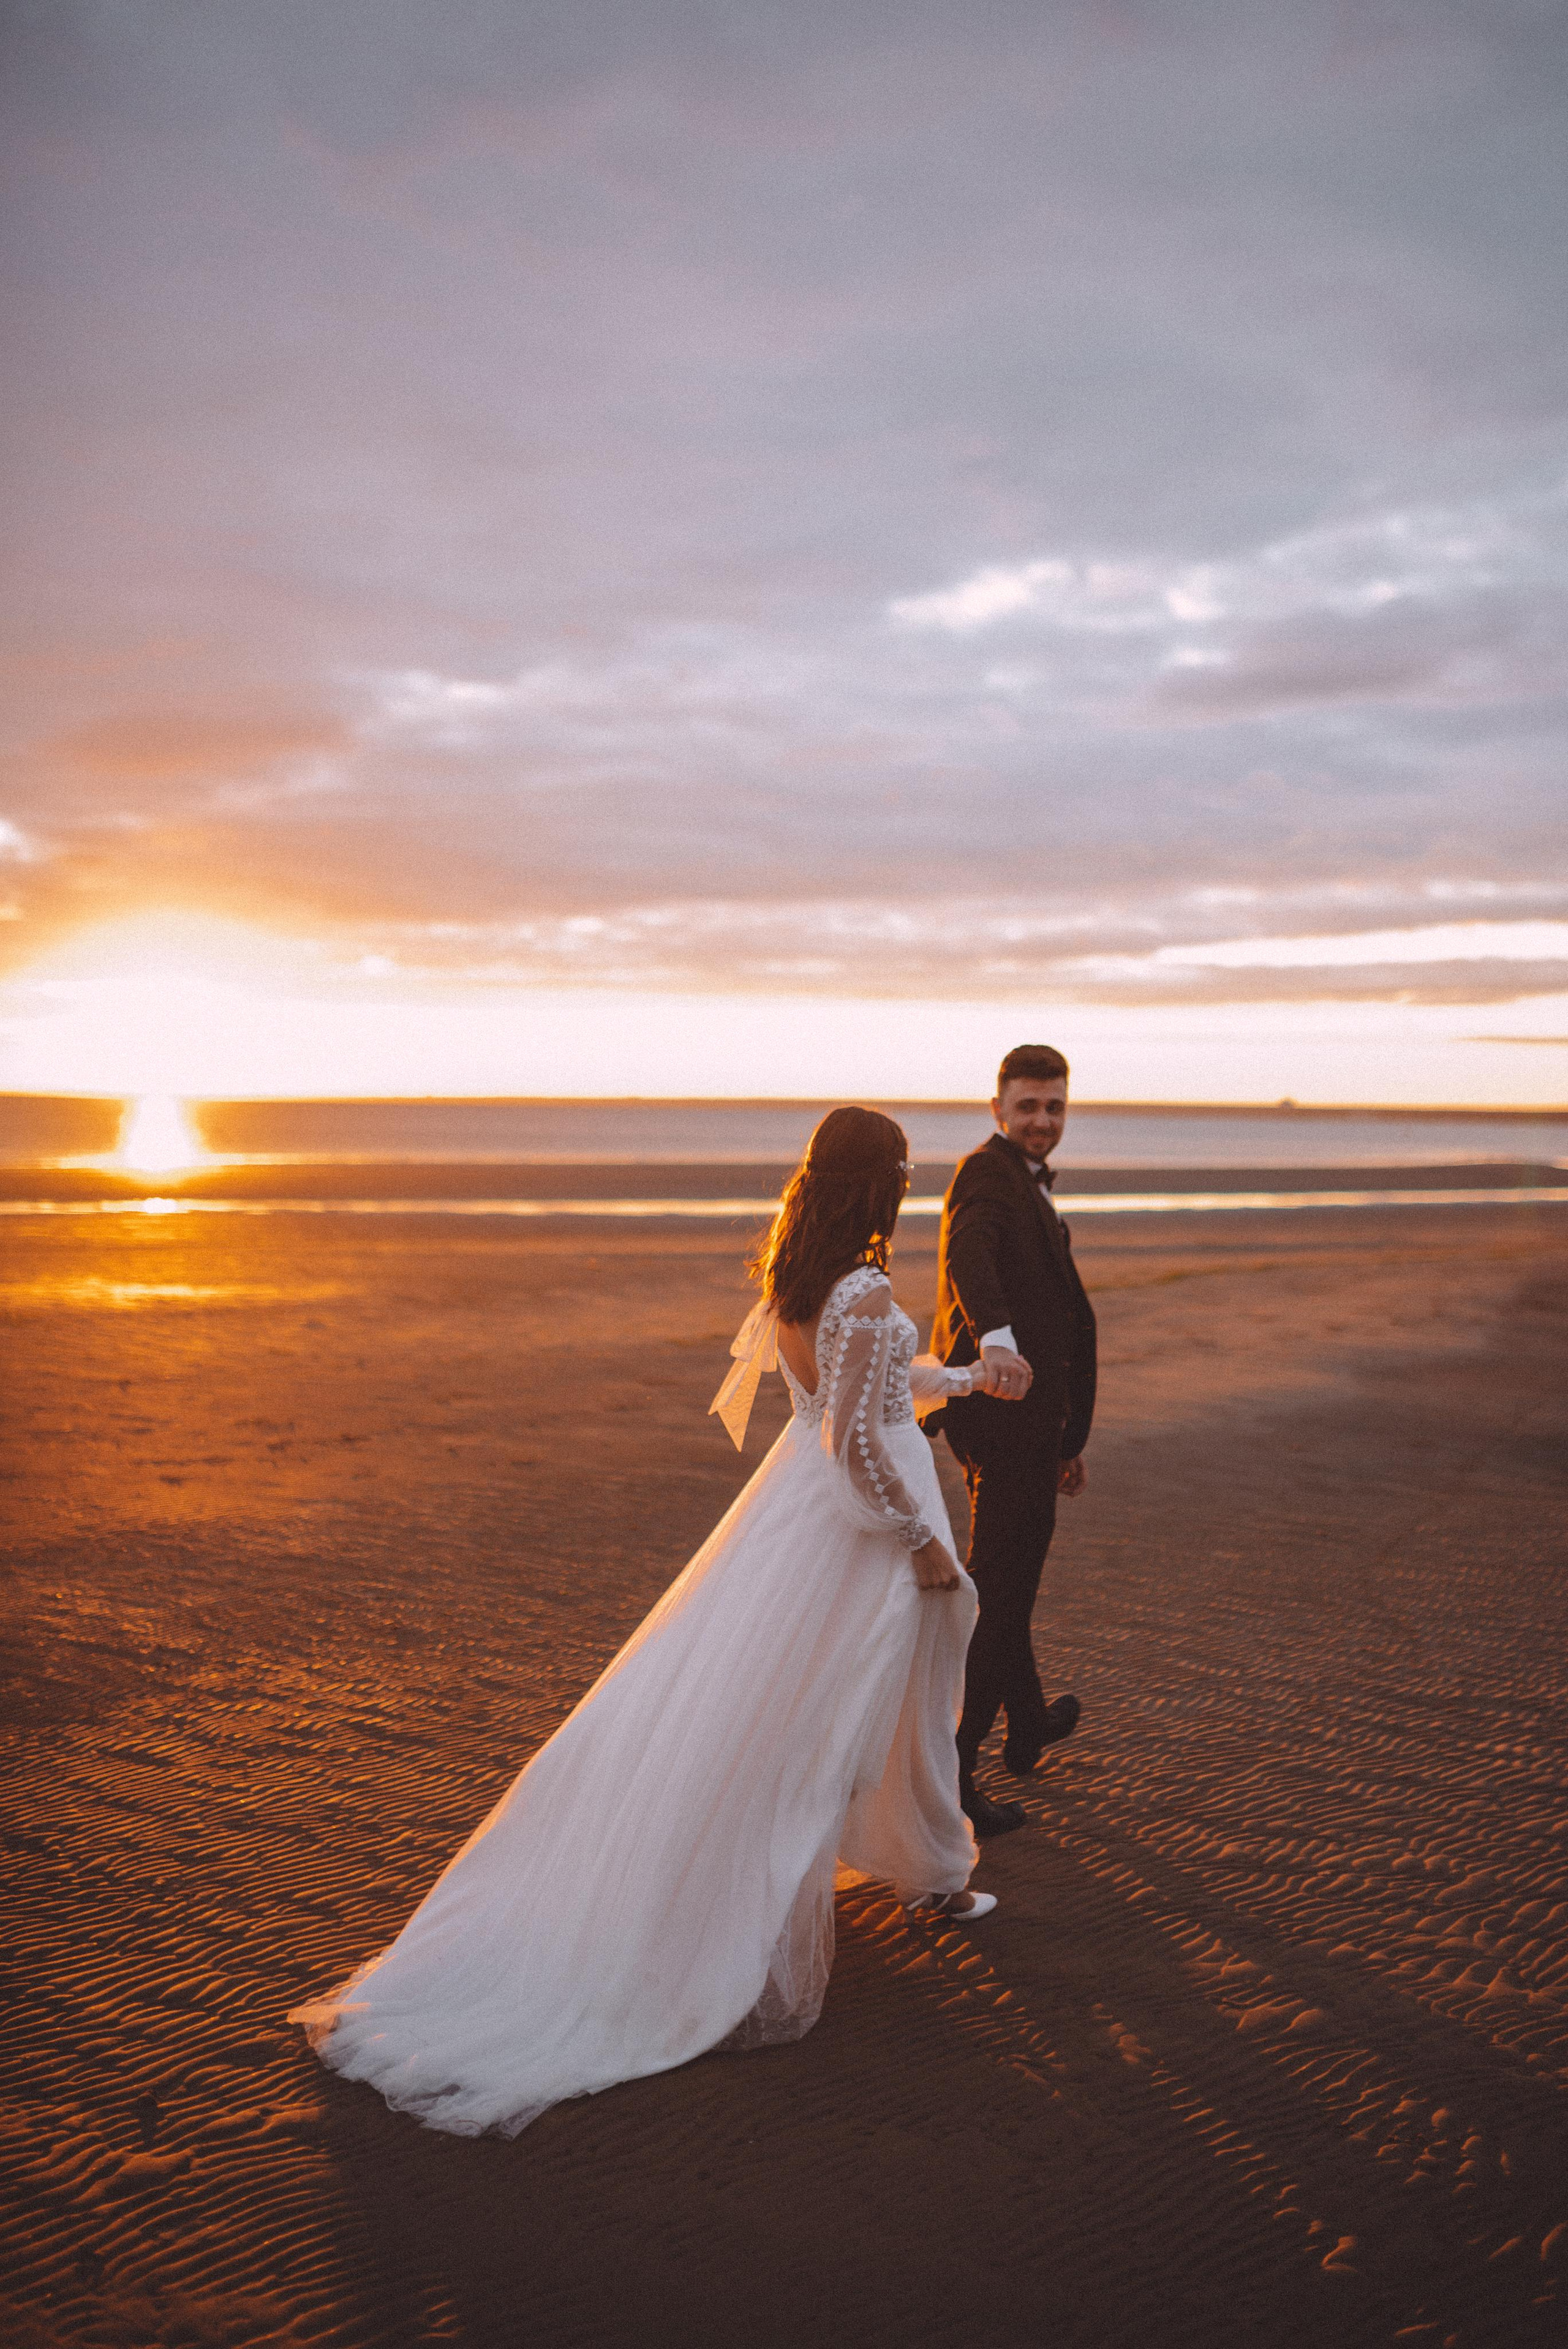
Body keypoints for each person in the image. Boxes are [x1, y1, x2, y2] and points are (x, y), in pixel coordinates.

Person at [291, 1106, 1008, 2139]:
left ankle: (929, 1864)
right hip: (860, 1530)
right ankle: (876, 1881)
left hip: (802, 1515)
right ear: (879, 1182)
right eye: (902, 1169)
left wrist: (968, 1373)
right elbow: (858, 1444)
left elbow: (874, 1393)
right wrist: (924, 1543)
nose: (909, 1182)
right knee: (830, 1719)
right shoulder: (860, 1285)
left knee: (831, 1704)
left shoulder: (809, 1276)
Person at [930, 1045, 1098, 1837]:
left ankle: (1025, 1720)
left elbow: (1061, 1310)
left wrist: (1069, 1434)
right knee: (999, 1592)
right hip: (1004, 1418)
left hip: (1033, 1425)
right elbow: (971, 1258)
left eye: (1055, 1107)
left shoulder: (1023, 1181)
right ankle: (955, 1772)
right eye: (1028, 1105)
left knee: (1007, 1578)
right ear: (998, 1108)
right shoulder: (985, 1175)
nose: (1042, 1120)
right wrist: (996, 1340)